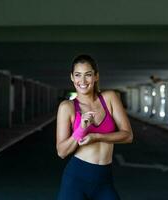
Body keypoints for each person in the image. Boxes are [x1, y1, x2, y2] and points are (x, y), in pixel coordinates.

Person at [56, 54, 133, 200]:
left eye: (88, 75)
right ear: (72, 77)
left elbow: (128, 135)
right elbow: (61, 151)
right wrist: (80, 130)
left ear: (96, 76)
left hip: (104, 180)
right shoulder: (67, 107)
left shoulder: (110, 98)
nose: (82, 81)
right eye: (78, 75)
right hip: (76, 179)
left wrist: (96, 137)